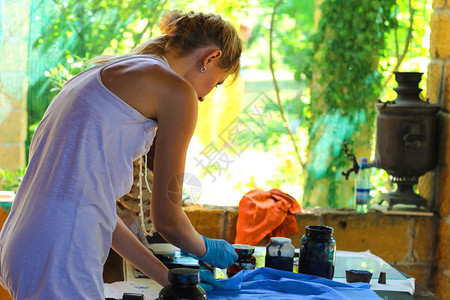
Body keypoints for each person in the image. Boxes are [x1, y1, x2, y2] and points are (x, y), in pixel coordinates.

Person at [0, 10, 242, 299]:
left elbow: (95, 208)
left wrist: (168, 278)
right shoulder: (177, 91)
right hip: (63, 250)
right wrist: (206, 247)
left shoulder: (103, 72)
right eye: (216, 84)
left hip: (22, 244)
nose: (204, 96)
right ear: (210, 58)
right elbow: (167, 219)